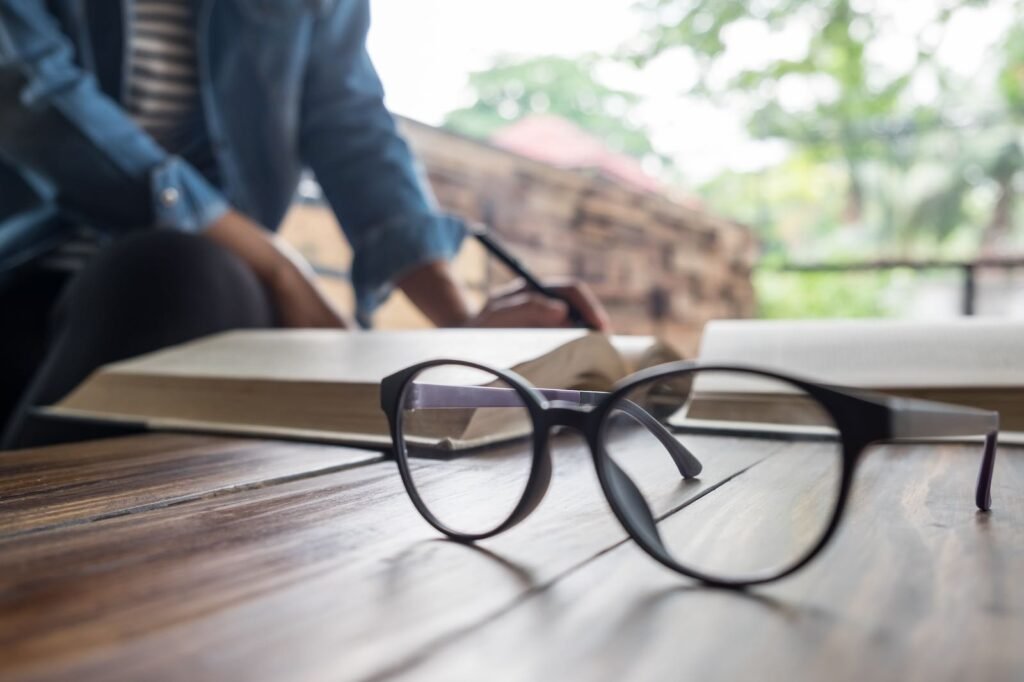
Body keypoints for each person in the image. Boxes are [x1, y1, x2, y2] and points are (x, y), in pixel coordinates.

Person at [0, 0, 610, 449]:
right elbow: (33, 101)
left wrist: (462, 330)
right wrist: (274, 263)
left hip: (216, 298)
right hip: (32, 275)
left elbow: (352, 129)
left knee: (194, 282)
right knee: (176, 269)